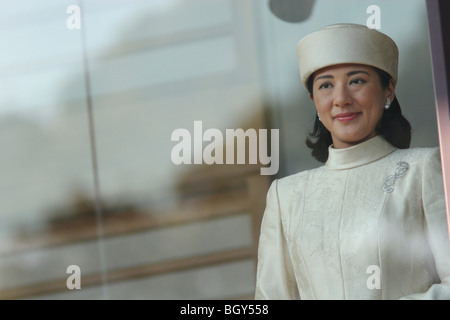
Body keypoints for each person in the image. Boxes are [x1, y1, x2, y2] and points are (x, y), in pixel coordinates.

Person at [255, 23, 450, 299]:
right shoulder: (285, 197)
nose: (341, 99)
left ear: (388, 90)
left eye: (356, 81)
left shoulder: (422, 169)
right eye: (325, 86)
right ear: (313, 100)